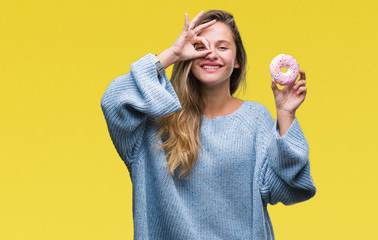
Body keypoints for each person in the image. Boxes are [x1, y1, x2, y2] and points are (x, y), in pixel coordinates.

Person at [101, 9, 316, 240]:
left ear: (237, 61)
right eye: (201, 47)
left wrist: (285, 114)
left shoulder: (255, 118)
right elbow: (113, 101)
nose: (211, 54)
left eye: (222, 47)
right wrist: (171, 54)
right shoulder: (156, 119)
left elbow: (290, 189)